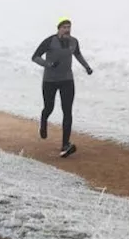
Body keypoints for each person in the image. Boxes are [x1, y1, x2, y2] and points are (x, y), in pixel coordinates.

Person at [31, 17, 92, 157]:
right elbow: (35, 57)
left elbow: (78, 55)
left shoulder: (73, 41)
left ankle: (65, 144)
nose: (67, 30)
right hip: (50, 81)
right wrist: (49, 65)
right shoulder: (50, 41)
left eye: (69, 27)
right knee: (49, 107)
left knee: (67, 111)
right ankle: (44, 120)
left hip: (67, 80)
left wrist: (87, 67)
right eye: (64, 27)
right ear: (58, 29)